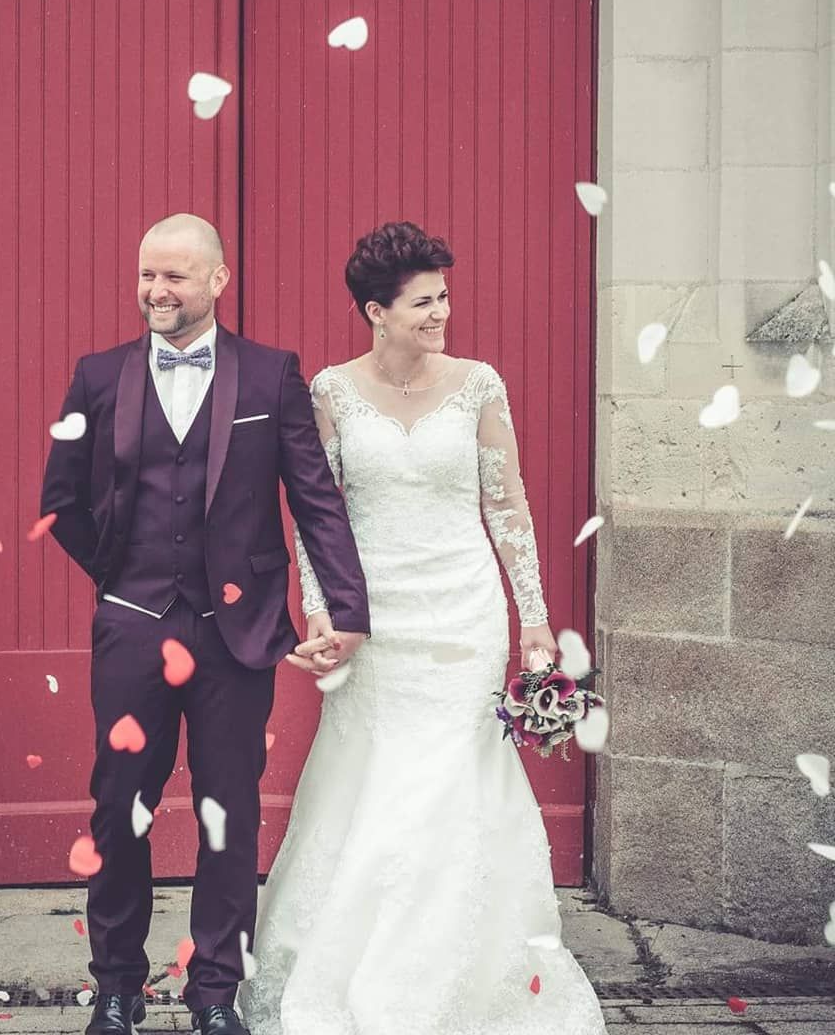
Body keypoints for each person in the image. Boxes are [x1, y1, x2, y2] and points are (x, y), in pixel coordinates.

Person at [238, 221, 607, 1034]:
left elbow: (506, 505)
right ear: (376, 310)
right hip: (376, 616)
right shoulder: (331, 391)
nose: (441, 312)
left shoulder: (478, 385)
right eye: (422, 302)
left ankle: (463, 979)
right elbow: (314, 512)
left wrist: (535, 621)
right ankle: (349, 971)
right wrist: (322, 608)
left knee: (454, 781)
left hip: (463, 611)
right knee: (372, 773)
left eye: (443, 296)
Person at [39, 213, 370, 1035]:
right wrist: (120, 578)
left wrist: (348, 608)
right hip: (133, 628)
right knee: (121, 810)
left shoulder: (269, 376)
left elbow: (316, 500)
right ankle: (117, 987)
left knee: (229, 813)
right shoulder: (96, 376)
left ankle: (215, 993)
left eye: (176, 276)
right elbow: (61, 502)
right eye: (148, 274)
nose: (157, 291)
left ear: (219, 281)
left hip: (239, 635)